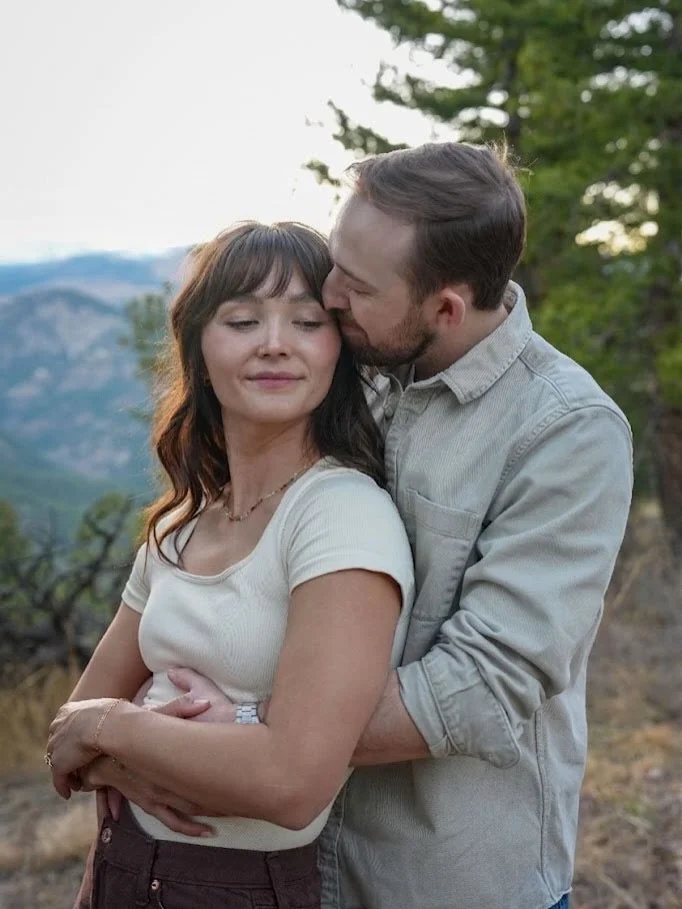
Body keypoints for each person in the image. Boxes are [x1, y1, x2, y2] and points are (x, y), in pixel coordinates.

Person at [51, 141, 634, 909]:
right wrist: (140, 747)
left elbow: (488, 681)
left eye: (353, 287)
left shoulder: (564, 429)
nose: (327, 298)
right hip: (290, 870)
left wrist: (239, 731)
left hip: (437, 879)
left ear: (445, 308)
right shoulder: (359, 365)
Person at [46, 221, 415, 909]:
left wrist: (117, 731)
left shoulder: (339, 516)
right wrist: (112, 745)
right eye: (243, 319)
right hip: (117, 866)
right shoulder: (181, 524)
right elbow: (65, 743)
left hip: (238, 890)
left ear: (339, 347)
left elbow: (293, 781)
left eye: (307, 321)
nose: (274, 341)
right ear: (200, 346)